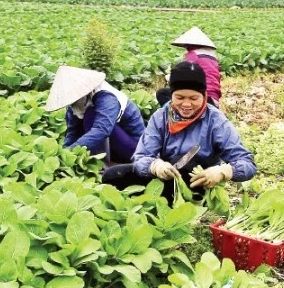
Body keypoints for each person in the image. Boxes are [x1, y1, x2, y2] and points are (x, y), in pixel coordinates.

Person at [103, 61, 255, 203]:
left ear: (204, 96)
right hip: (165, 176)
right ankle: (157, 200)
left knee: (185, 163)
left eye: (194, 98)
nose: (187, 104)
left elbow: (247, 163)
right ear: (171, 95)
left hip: (196, 183)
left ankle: (163, 202)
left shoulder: (215, 120)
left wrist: (223, 171)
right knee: (112, 176)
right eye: (180, 97)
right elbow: (141, 157)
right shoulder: (160, 117)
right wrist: (154, 166)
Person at [45, 65, 145, 164]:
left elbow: (102, 130)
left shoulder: (107, 97)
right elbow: (72, 131)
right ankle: (99, 161)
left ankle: (102, 165)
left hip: (135, 151)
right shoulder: (75, 104)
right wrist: (63, 153)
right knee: (82, 123)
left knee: (90, 116)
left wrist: (72, 150)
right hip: (113, 147)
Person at [156, 26, 221, 108]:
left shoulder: (193, 54)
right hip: (215, 98)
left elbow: (187, 75)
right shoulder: (212, 55)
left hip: (201, 96)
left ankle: (173, 114)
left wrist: (171, 78)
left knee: (162, 93)